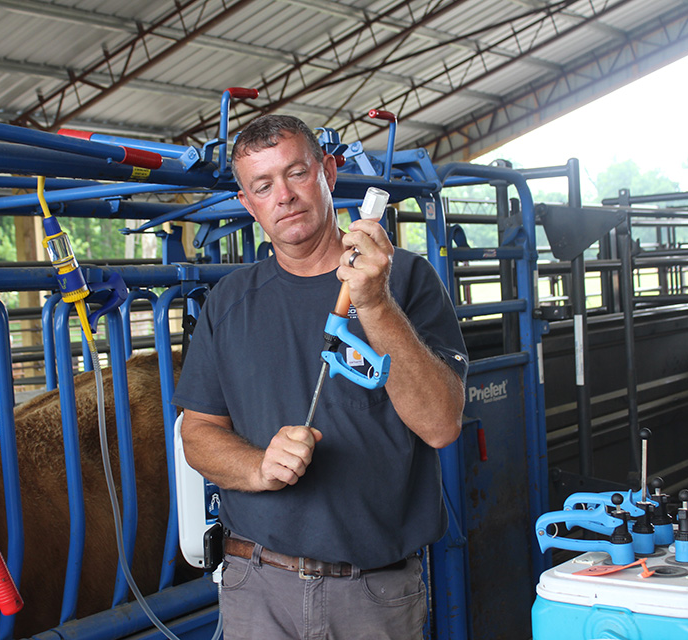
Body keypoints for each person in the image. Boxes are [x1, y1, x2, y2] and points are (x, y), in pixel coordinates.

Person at [172, 114, 467, 639]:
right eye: (262, 185)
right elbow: (197, 432)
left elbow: (441, 425)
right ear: (248, 204)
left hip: (372, 594)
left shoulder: (409, 281)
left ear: (328, 173)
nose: (282, 195)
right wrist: (258, 465)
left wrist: (375, 304)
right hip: (257, 586)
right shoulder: (229, 303)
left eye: (296, 173)